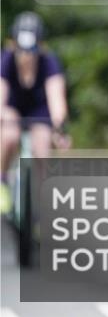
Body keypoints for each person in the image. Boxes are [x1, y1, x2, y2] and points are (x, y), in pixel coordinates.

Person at [0, 12, 71, 214]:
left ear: (40, 45)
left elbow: (57, 100)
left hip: (39, 112)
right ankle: (2, 182)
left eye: (31, 50)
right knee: (9, 136)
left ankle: (43, 202)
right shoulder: (5, 60)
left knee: (42, 148)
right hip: (12, 109)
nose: (26, 55)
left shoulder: (49, 62)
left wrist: (60, 129)